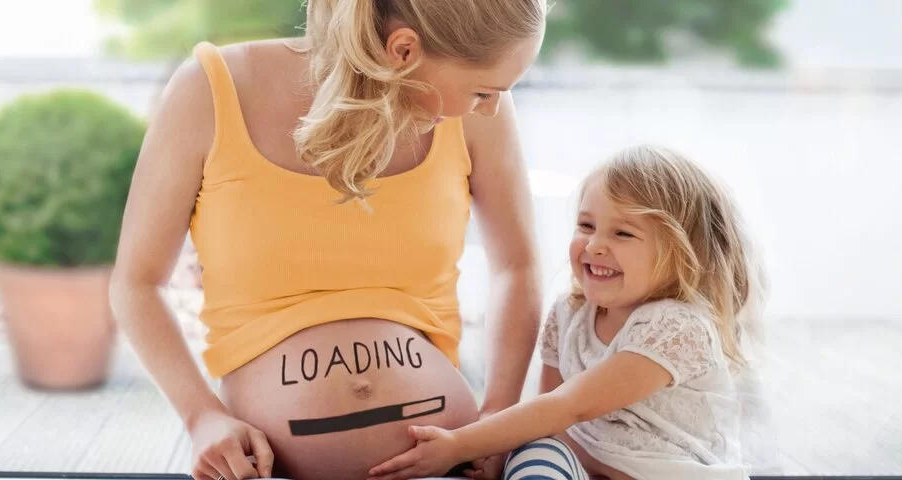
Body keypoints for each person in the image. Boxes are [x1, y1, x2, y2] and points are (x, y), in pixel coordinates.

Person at [109, 1, 547, 479]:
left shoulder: (478, 116)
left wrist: (497, 421)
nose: (493, 106)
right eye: (483, 91)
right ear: (404, 50)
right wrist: (201, 415)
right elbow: (137, 283)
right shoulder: (208, 90)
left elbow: (517, 266)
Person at [367, 145, 768, 480]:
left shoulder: (676, 326)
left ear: (684, 251)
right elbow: (551, 417)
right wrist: (500, 449)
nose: (594, 246)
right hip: (588, 467)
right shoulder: (570, 312)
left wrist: (460, 445)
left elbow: (569, 406)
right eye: (586, 225)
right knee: (536, 448)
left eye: (622, 233)